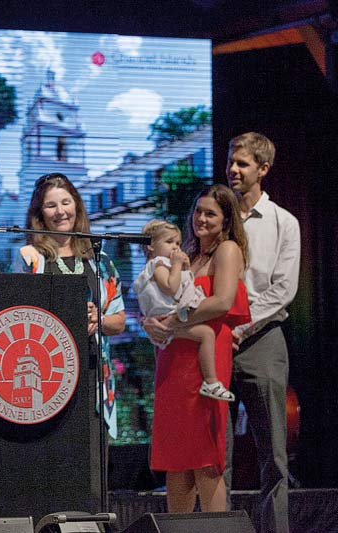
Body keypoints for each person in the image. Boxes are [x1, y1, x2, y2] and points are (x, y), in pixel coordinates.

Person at [145, 184, 251, 513]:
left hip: (206, 358)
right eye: (198, 211)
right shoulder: (188, 254)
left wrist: (174, 321)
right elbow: (162, 299)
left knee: (207, 458)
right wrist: (152, 323)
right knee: (178, 461)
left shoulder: (228, 249)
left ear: (226, 218)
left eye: (210, 213)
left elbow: (221, 301)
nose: (200, 219)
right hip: (174, 359)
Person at [225, 132, 300, 533]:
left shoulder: (282, 222)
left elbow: (283, 290)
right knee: (216, 452)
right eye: (231, 162)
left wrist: (241, 324)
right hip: (217, 340)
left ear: (263, 169)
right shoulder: (216, 216)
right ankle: (218, 526)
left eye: (242, 164)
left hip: (263, 339)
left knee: (273, 451)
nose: (233, 170)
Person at [14, 173, 126, 438]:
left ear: (77, 206)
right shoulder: (30, 259)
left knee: (94, 464)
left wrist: (97, 318)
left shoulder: (101, 261)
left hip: (92, 377)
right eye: (51, 205)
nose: (60, 211)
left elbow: (119, 321)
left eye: (66, 203)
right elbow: (17, 318)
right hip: (45, 379)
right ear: (39, 214)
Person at [132, 219, 233, 402]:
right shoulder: (159, 264)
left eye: (178, 243)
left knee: (206, 334)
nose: (175, 248)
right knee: (206, 334)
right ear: (151, 246)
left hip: (168, 322)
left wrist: (183, 267)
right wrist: (178, 265)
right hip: (166, 321)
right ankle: (211, 381)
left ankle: (210, 381)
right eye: (169, 242)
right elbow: (171, 287)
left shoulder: (163, 264)